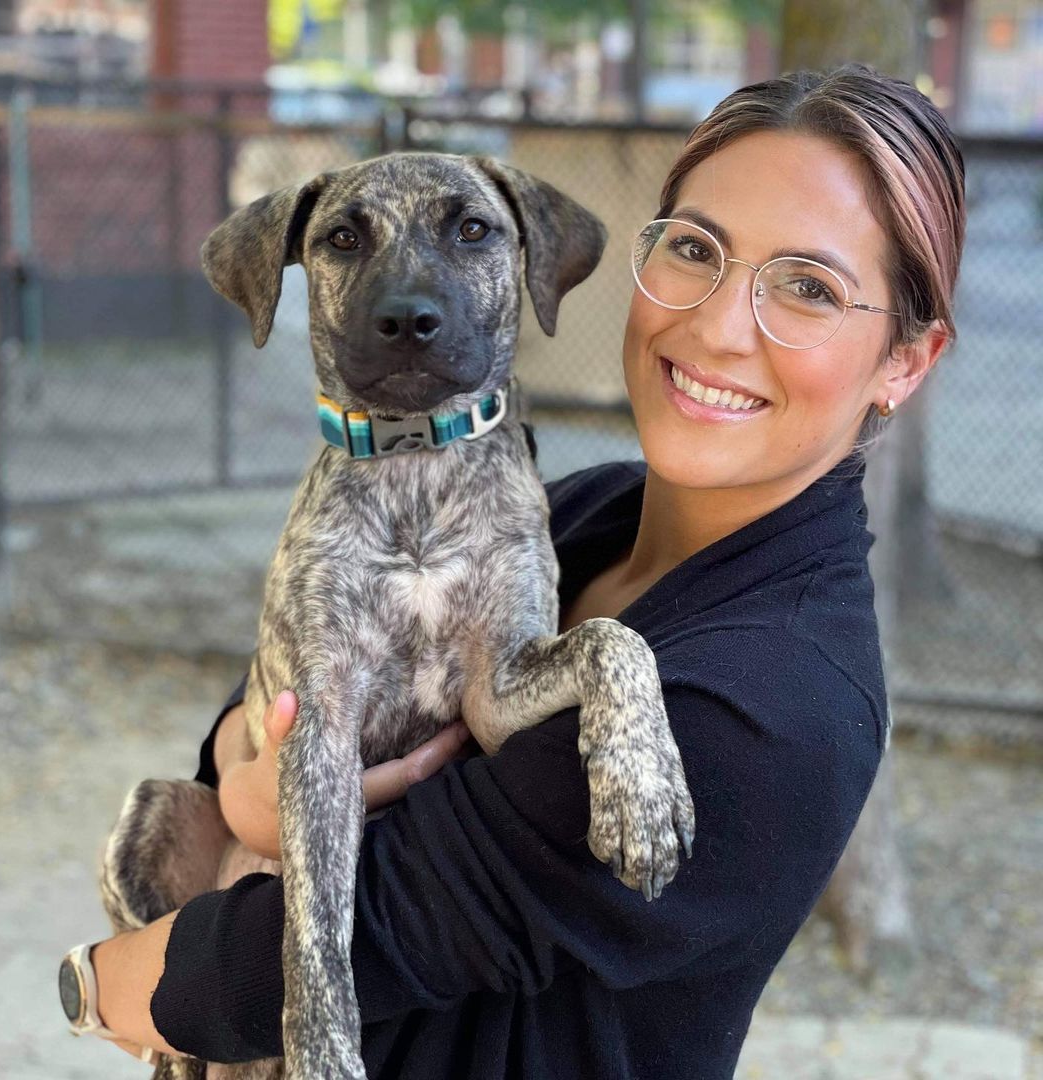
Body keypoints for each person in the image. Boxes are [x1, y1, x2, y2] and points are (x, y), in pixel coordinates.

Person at [79, 63, 965, 1078]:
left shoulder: (775, 706)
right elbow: (254, 707)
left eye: (809, 287)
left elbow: (273, 964)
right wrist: (247, 787)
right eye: (694, 250)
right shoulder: (580, 509)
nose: (720, 325)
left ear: (906, 357)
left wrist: (93, 984)